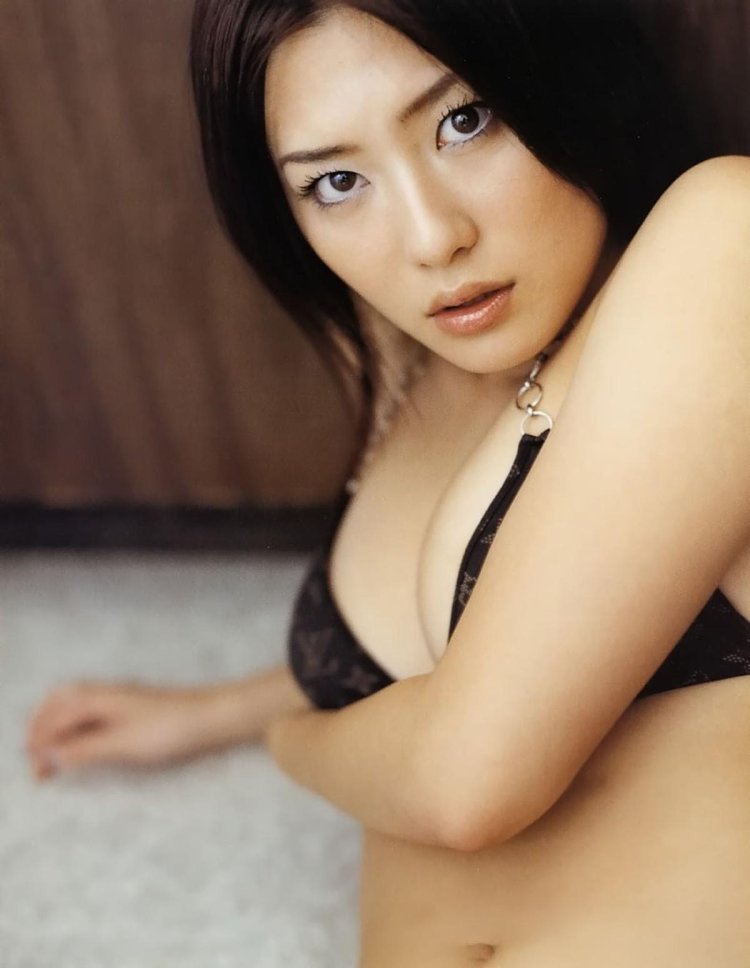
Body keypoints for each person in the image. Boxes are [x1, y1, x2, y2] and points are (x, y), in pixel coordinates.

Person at [27, 0, 750, 962]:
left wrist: (295, 741)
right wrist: (216, 712)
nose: (430, 236)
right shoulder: (413, 346)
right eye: (336, 181)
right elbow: (505, 650)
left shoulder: (725, 244)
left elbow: (466, 778)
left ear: (562, 70)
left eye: (464, 120)